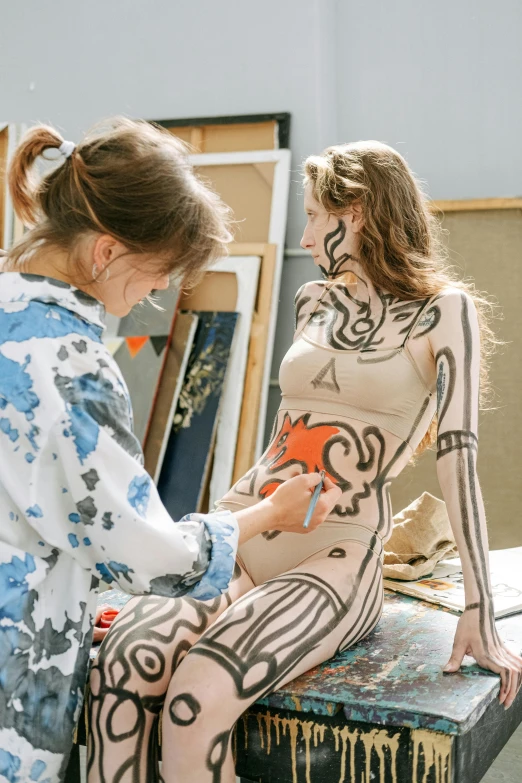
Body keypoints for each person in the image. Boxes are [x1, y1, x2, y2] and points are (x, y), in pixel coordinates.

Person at [88, 140, 522, 783]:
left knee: (193, 702)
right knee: (119, 666)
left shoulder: (442, 311)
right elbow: (284, 437)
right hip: (249, 524)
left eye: (318, 213)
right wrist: (210, 537)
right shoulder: (312, 301)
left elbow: (458, 459)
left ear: (361, 214)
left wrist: (478, 609)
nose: (306, 231)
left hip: (335, 554)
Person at [0, 118, 341, 783]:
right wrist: (266, 515)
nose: (152, 296)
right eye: (154, 277)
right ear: (104, 253)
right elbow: (144, 549)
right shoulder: (69, 360)